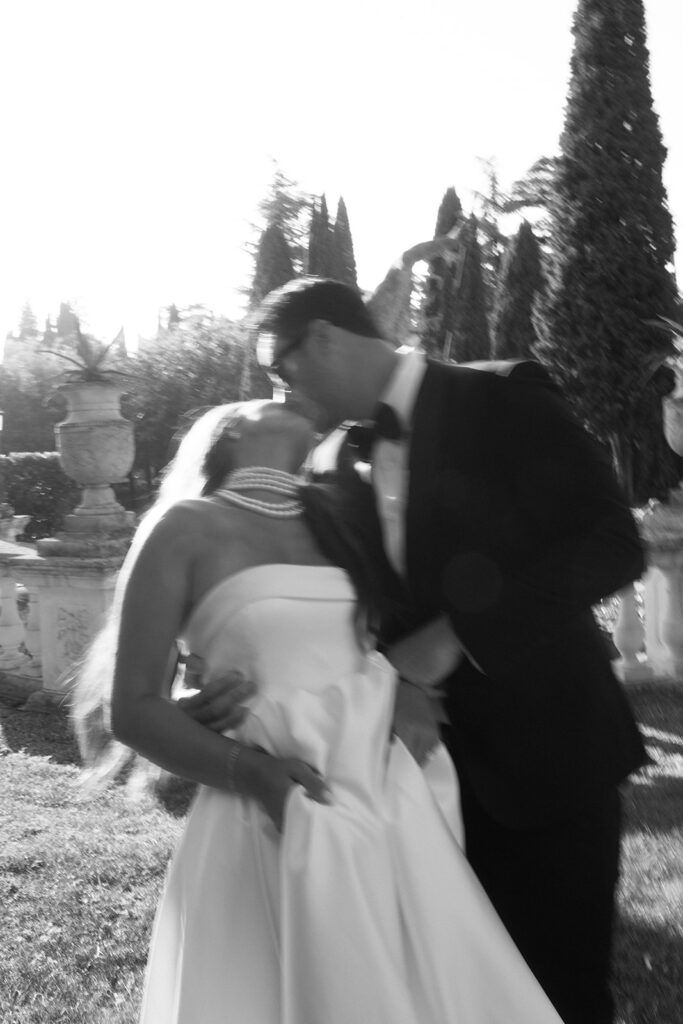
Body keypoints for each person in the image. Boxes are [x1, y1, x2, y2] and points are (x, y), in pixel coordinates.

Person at [75, 398, 564, 1024]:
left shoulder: (338, 518)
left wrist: (409, 684)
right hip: (269, 806)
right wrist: (246, 770)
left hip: (384, 797)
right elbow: (132, 708)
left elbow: (376, 637)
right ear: (227, 434)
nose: (283, 395)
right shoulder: (183, 527)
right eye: (259, 397)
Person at [250, 275, 648, 1024]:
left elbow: (612, 543)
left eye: (280, 367)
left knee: (554, 995)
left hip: (546, 765)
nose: (279, 393)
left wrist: (457, 633)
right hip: (406, 784)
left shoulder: (502, 399)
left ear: (326, 339)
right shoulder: (333, 462)